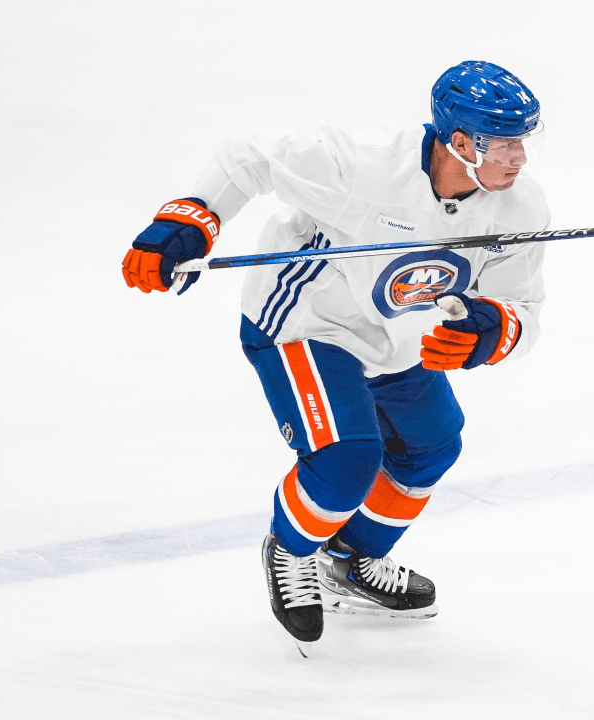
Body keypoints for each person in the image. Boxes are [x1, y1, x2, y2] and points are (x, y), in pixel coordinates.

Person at [121, 61, 549, 645]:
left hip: (395, 337)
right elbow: (248, 156)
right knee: (346, 459)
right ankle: (291, 550)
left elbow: (521, 306)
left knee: (431, 446)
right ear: (459, 141)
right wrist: (193, 216)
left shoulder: (520, 208)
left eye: (524, 141)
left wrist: (490, 330)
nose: (519, 158)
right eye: (503, 144)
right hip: (307, 323)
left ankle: (350, 560)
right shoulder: (362, 164)